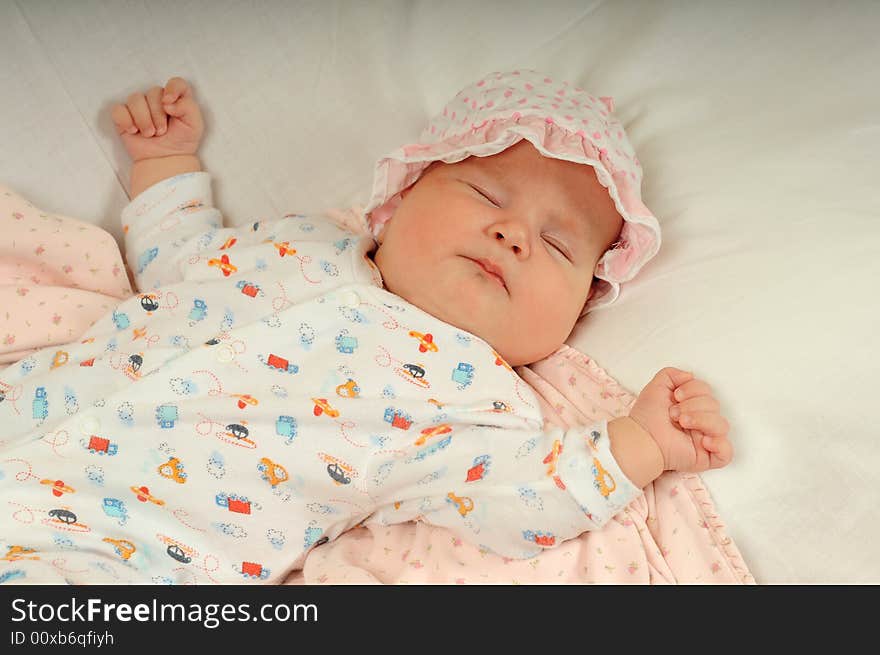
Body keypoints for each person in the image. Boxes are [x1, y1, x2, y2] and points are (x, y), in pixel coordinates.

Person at [0, 71, 731, 584]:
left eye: (561, 246)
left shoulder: (479, 402)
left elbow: (525, 500)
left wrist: (640, 442)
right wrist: (166, 164)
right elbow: (182, 263)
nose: (512, 234)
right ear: (397, 203)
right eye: (484, 192)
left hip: (115, 554)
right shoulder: (304, 244)